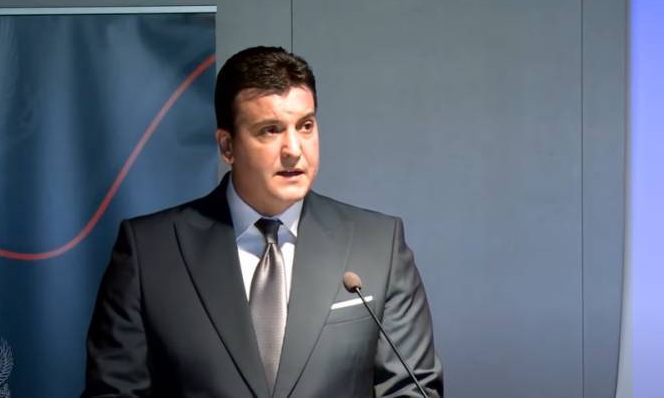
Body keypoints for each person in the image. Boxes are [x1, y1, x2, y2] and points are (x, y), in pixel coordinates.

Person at [82, 46, 443, 398]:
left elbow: (411, 389)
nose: (294, 150)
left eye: (305, 126)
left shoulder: (378, 246)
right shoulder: (148, 252)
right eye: (271, 130)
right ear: (227, 147)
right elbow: (114, 390)